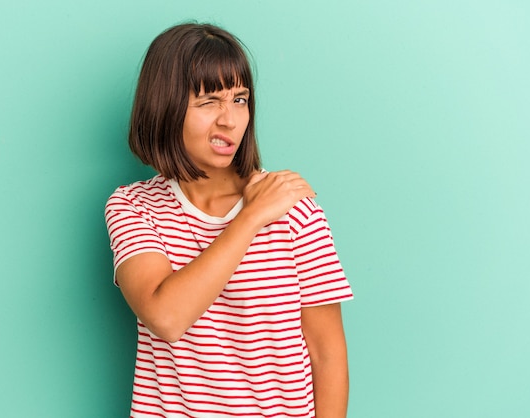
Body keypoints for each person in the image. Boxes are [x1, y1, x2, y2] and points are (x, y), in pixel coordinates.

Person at [105, 22, 353, 418]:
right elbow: (166, 317)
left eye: (240, 99)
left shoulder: (294, 210)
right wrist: (251, 217)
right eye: (208, 102)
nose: (230, 120)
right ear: (165, 106)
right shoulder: (133, 206)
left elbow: (327, 353)